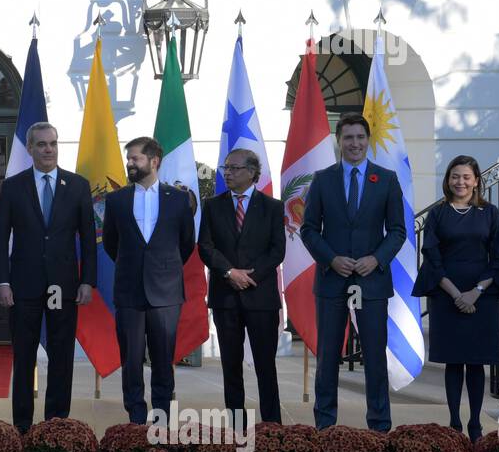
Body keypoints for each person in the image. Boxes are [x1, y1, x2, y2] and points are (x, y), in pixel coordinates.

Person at [300, 113, 406, 431]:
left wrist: (377, 258)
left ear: (368, 140)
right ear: (339, 141)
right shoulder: (322, 179)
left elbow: (398, 231)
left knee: (374, 358)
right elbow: (308, 229)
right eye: (348, 138)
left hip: (372, 282)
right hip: (333, 281)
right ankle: (325, 426)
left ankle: (379, 426)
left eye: (360, 137)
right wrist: (331, 259)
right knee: (328, 357)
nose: (355, 144)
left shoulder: (386, 179)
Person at [0, 122, 96, 433]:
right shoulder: (13, 186)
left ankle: (56, 425)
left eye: (52, 143)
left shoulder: (77, 186)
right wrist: (2, 282)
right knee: (24, 356)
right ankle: (22, 425)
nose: (48, 149)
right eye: (41, 144)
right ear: (30, 149)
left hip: (64, 287)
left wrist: (87, 280)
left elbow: (89, 238)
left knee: (62, 356)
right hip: (23, 286)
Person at [412, 156, 499, 441]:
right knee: (454, 362)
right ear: (448, 180)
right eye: (455, 176)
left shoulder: (490, 213)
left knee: (476, 362)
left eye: (466, 177)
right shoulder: (438, 214)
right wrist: (456, 294)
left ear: (476, 180)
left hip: (481, 296)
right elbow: (431, 257)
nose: (460, 182)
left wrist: (475, 293)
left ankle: (475, 424)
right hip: (447, 296)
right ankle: (454, 423)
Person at [102, 136, 196, 425]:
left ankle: (161, 418)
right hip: (129, 291)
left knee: (162, 360)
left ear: (154, 161)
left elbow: (186, 244)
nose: (129, 163)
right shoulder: (116, 200)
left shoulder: (179, 199)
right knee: (131, 360)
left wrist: (159, 268)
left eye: (135, 158)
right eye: (128, 158)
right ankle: (136, 418)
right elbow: (110, 243)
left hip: (166, 293)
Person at [197, 148, 285, 424]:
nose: (228, 173)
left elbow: (277, 250)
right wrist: (228, 272)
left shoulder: (272, 207)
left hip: (261, 298)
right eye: (226, 167)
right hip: (226, 298)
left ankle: (272, 426)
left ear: (251, 172)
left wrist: (250, 276)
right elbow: (206, 247)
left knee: (265, 366)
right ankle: (237, 427)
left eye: (234, 168)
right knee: (230, 366)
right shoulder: (212, 205)